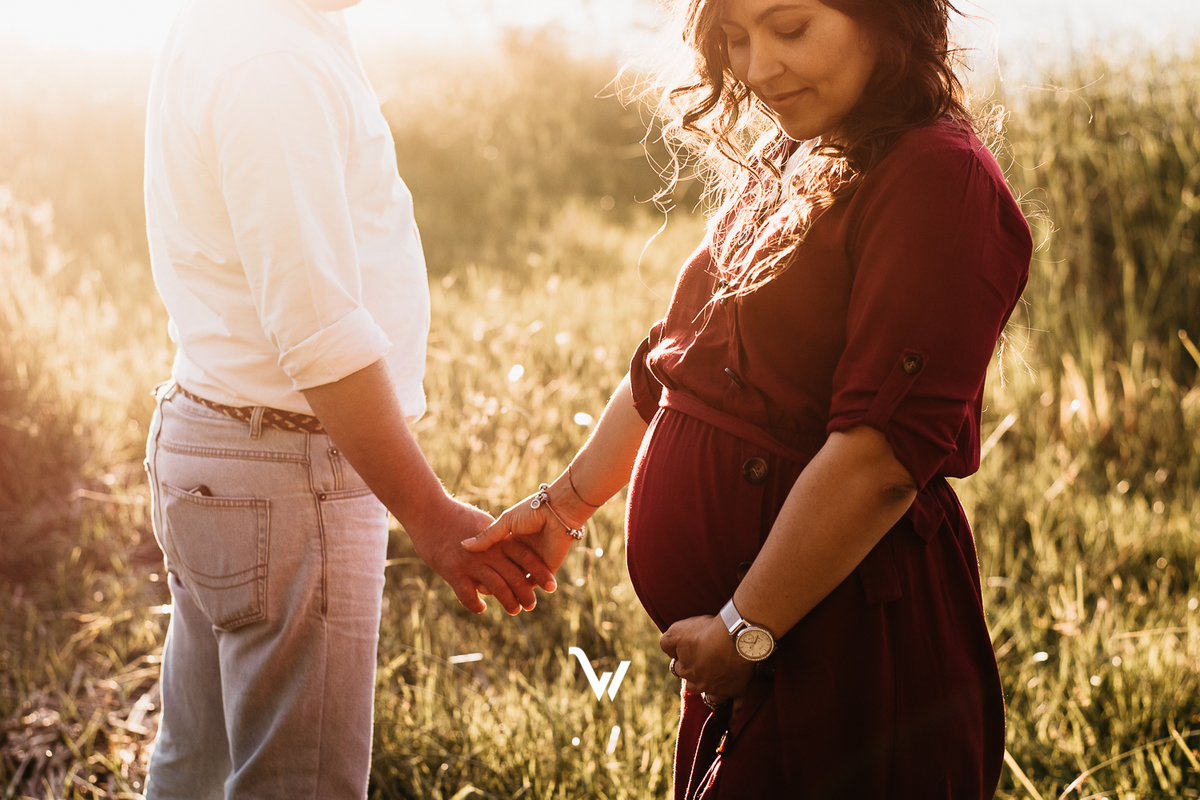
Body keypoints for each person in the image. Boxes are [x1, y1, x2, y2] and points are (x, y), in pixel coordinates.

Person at [464, 0, 1032, 796]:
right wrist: (564, 506)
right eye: (734, 39)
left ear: (886, 17)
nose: (757, 68)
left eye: (789, 28)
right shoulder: (800, 150)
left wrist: (744, 631)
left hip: (850, 650)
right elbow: (674, 362)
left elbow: (880, 460)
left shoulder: (938, 177)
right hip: (755, 647)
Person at [141, 0, 553, 796]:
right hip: (288, 470)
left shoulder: (243, 24)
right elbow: (317, 333)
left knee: (198, 764)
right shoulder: (274, 64)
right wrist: (429, 514)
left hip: (215, 436)